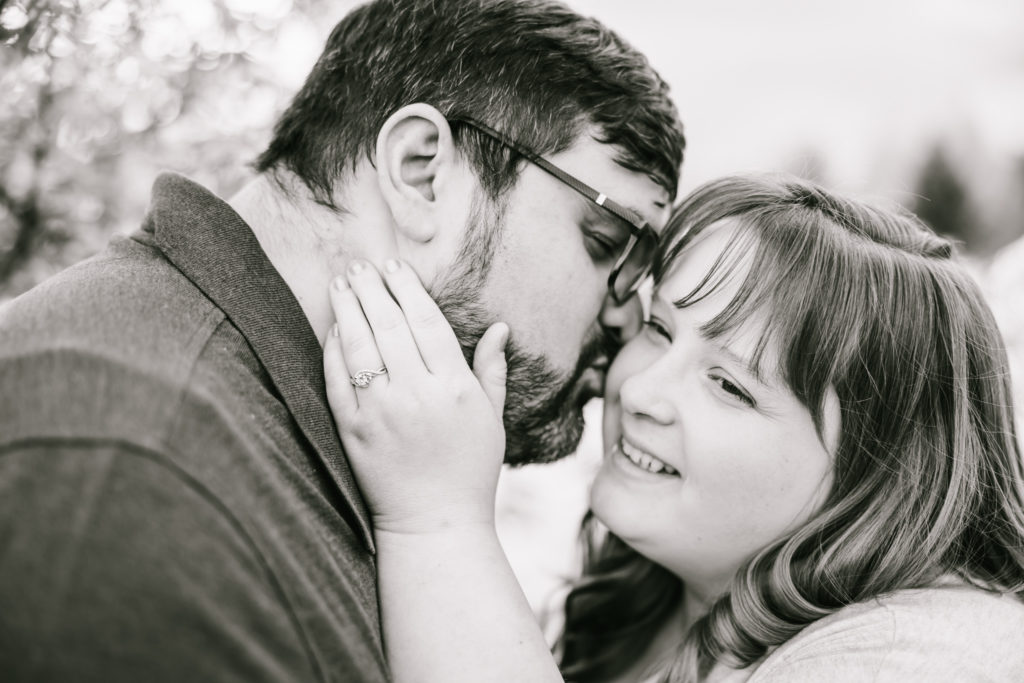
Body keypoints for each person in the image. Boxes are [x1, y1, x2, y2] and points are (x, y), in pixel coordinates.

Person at [0, 1, 684, 680]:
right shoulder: (133, 480)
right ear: (421, 170)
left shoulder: (298, 447)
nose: (627, 316)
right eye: (608, 244)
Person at [323, 173, 1024, 682]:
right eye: (660, 328)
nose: (641, 389)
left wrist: (438, 516)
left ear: (883, 468)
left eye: (728, 384)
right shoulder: (657, 588)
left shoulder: (931, 653)